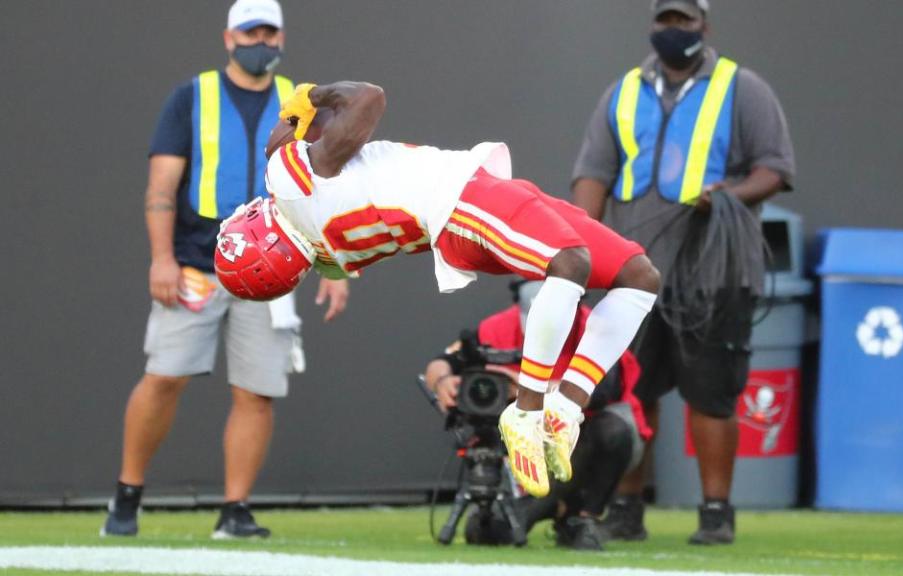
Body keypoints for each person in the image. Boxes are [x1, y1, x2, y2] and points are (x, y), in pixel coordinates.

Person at [215, 79, 662, 500]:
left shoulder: (329, 258)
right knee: (569, 263)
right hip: (458, 201)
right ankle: (527, 411)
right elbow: (368, 99)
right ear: (258, 236)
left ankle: (565, 408)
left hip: (463, 209)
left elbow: (330, 154)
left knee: (637, 276)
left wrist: (298, 125)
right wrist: (315, 95)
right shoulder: (289, 185)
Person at [101, 0, 348, 539]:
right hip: (196, 264)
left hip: (274, 272)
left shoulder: (300, 104)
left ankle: (235, 510)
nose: (260, 40)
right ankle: (127, 494)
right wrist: (161, 258)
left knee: (256, 391)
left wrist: (337, 269)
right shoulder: (192, 96)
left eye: (269, 31)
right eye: (250, 30)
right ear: (229, 37)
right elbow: (162, 186)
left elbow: (326, 190)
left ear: (282, 39)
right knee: (164, 376)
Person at [571, 0, 795, 545]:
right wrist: (579, 245)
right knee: (627, 392)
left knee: (710, 395)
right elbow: (593, 174)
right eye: (665, 21)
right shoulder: (622, 91)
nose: (674, 31)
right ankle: (624, 506)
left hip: (713, 271)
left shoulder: (742, 88)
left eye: (685, 22)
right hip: (634, 272)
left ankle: (715, 512)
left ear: (704, 27)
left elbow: (776, 169)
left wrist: (726, 195)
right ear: (653, 27)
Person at [423, 280, 652, 550]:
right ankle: (553, 508)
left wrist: (520, 385)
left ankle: (583, 517)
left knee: (613, 430)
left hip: (583, 437)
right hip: (522, 444)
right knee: (488, 532)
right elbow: (442, 362)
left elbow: (600, 393)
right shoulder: (495, 328)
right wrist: (443, 382)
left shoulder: (598, 332)